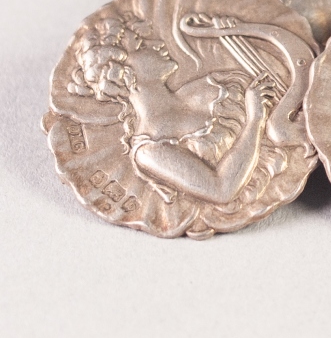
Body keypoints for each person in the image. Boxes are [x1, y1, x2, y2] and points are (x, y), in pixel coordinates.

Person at [68, 15, 285, 205]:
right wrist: (255, 119)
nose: (158, 44)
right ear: (125, 73)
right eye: (142, 46)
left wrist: (236, 29)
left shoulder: (211, 84)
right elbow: (221, 190)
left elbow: (282, 88)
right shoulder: (150, 150)